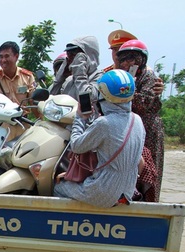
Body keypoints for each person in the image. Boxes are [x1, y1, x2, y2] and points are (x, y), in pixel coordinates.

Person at [54, 69, 145, 208]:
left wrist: (80, 118)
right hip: (127, 192)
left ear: (104, 96)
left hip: (104, 191)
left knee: (58, 188)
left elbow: (77, 146)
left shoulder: (104, 123)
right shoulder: (137, 120)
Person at [116, 39, 165, 201]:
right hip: (129, 127)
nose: (127, 62)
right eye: (123, 58)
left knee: (149, 168)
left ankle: (149, 201)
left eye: (132, 58)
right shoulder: (124, 77)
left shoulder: (148, 76)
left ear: (142, 59)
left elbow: (143, 103)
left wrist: (119, 92)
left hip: (148, 129)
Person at [0, 41, 36, 139]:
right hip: (0, 128)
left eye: (7, 56)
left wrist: (41, 120)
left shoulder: (27, 77)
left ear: (16, 57)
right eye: (1, 57)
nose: (3, 60)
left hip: (23, 126)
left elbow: (34, 103)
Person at [50, 36, 102, 102]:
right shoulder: (69, 80)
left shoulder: (99, 77)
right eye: (68, 54)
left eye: (74, 53)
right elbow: (52, 100)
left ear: (88, 55)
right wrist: (60, 78)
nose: (70, 58)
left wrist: (79, 73)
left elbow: (88, 98)